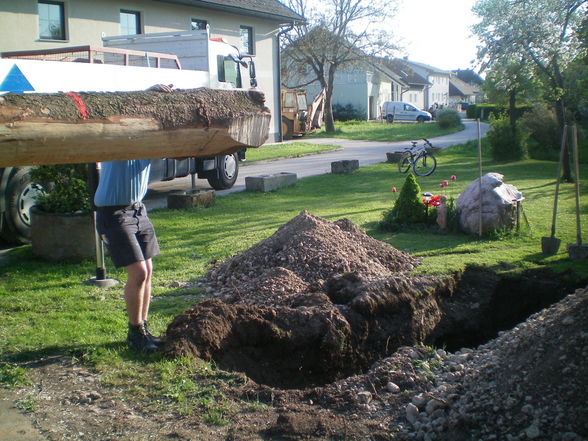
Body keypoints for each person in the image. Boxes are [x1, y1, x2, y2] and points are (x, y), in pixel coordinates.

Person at [94, 159, 163, 352]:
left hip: (138, 210)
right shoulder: (117, 142)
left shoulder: (149, 144)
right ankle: (135, 333)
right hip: (113, 213)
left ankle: (143, 329)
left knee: (148, 271)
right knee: (139, 273)